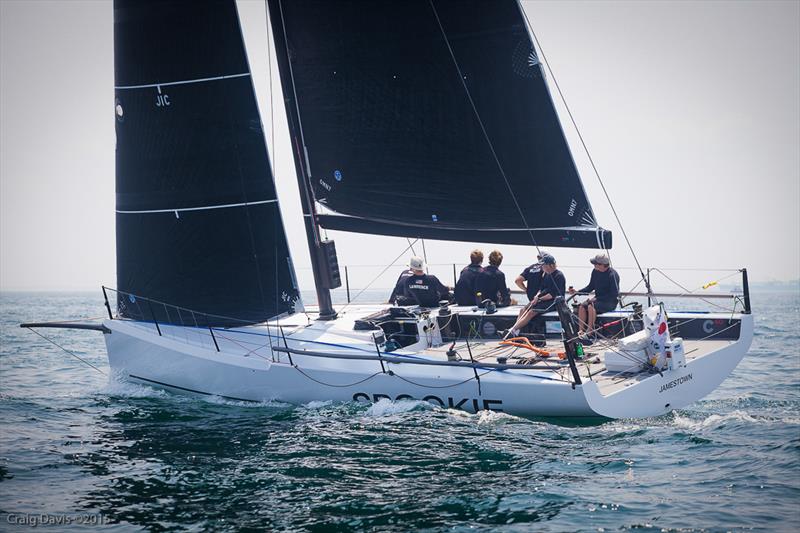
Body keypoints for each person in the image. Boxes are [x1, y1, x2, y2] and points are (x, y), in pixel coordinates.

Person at [505, 254, 566, 339]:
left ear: (550, 265)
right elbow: (541, 289)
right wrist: (536, 296)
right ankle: (516, 331)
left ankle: (512, 330)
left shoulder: (559, 275)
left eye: (544, 265)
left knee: (531, 312)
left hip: (554, 302)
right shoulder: (546, 275)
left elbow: (552, 295)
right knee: (523, 309)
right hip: (544, 300)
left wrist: (539, 298)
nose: (542, 268)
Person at [568, 254, 620, 338]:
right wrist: (577, 292)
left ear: (602, 265)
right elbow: (590, 287)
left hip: (610, 302)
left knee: (590, 306)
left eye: (595, 264)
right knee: (582, 306)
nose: (594, 265)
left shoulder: (613, 275)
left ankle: (590, 330)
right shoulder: (595, 272)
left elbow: (614, 294)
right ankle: (580, 330)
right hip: (598, 300)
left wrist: (596, 299)